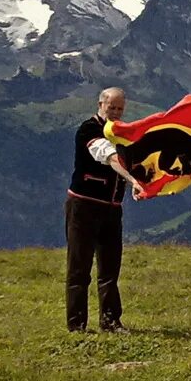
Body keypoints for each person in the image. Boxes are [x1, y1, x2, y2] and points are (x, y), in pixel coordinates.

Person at [65, 87, 146, 333]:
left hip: (112, 209)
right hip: (84, 206)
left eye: (120, 109)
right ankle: (77, 326)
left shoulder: (123, 135)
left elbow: (137, 165)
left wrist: (143, 185)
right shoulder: (88, 129)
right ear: (100, 104)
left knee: (110, 268)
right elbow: (109, 156)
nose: (116, 112)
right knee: (79, 267)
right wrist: (131, 180)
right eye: (112, 107)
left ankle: (110, 322)